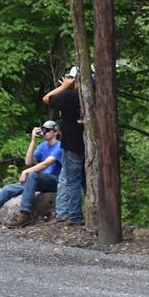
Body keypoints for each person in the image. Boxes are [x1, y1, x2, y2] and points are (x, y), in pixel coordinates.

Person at [0, 121, 63, 227]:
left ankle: (25, 214)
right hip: (40, 180)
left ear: (55, 132)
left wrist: (26, 171)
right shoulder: (43, 146)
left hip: (55, 180)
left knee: (32, 175)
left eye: (47, 130)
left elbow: (45, 164)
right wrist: (33, 140)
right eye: (43, 129)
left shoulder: (59, 146)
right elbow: (28, 162)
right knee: (9, 189)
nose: (44, 132)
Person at [44, 67, 87, 226]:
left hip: (72, 144)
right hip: (90, 146)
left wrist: (64, 86)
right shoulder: (97, 95)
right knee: (84, 180)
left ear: (74, 79)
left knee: (72, 181)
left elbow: (47, 98)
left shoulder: (70, 96)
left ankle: (75, 217)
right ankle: (90, 216)